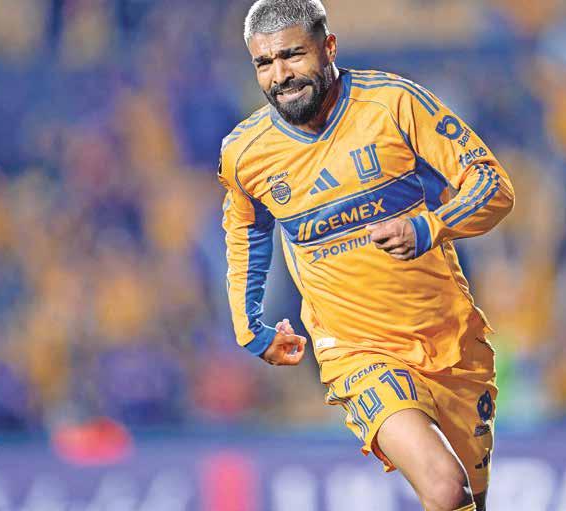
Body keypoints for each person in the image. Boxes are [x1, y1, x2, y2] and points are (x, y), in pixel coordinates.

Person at [217, 1, 514, 510]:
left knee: (468, 499)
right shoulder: (245, 153)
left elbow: (493, 185)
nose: (280, 76)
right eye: (264, 63)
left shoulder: (393, 104)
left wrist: (429, 227)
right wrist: (251, 328)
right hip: (357, 351)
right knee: (446, 487)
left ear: (329, 47)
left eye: (293, 55)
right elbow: (247, 233)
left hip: (450, 341)